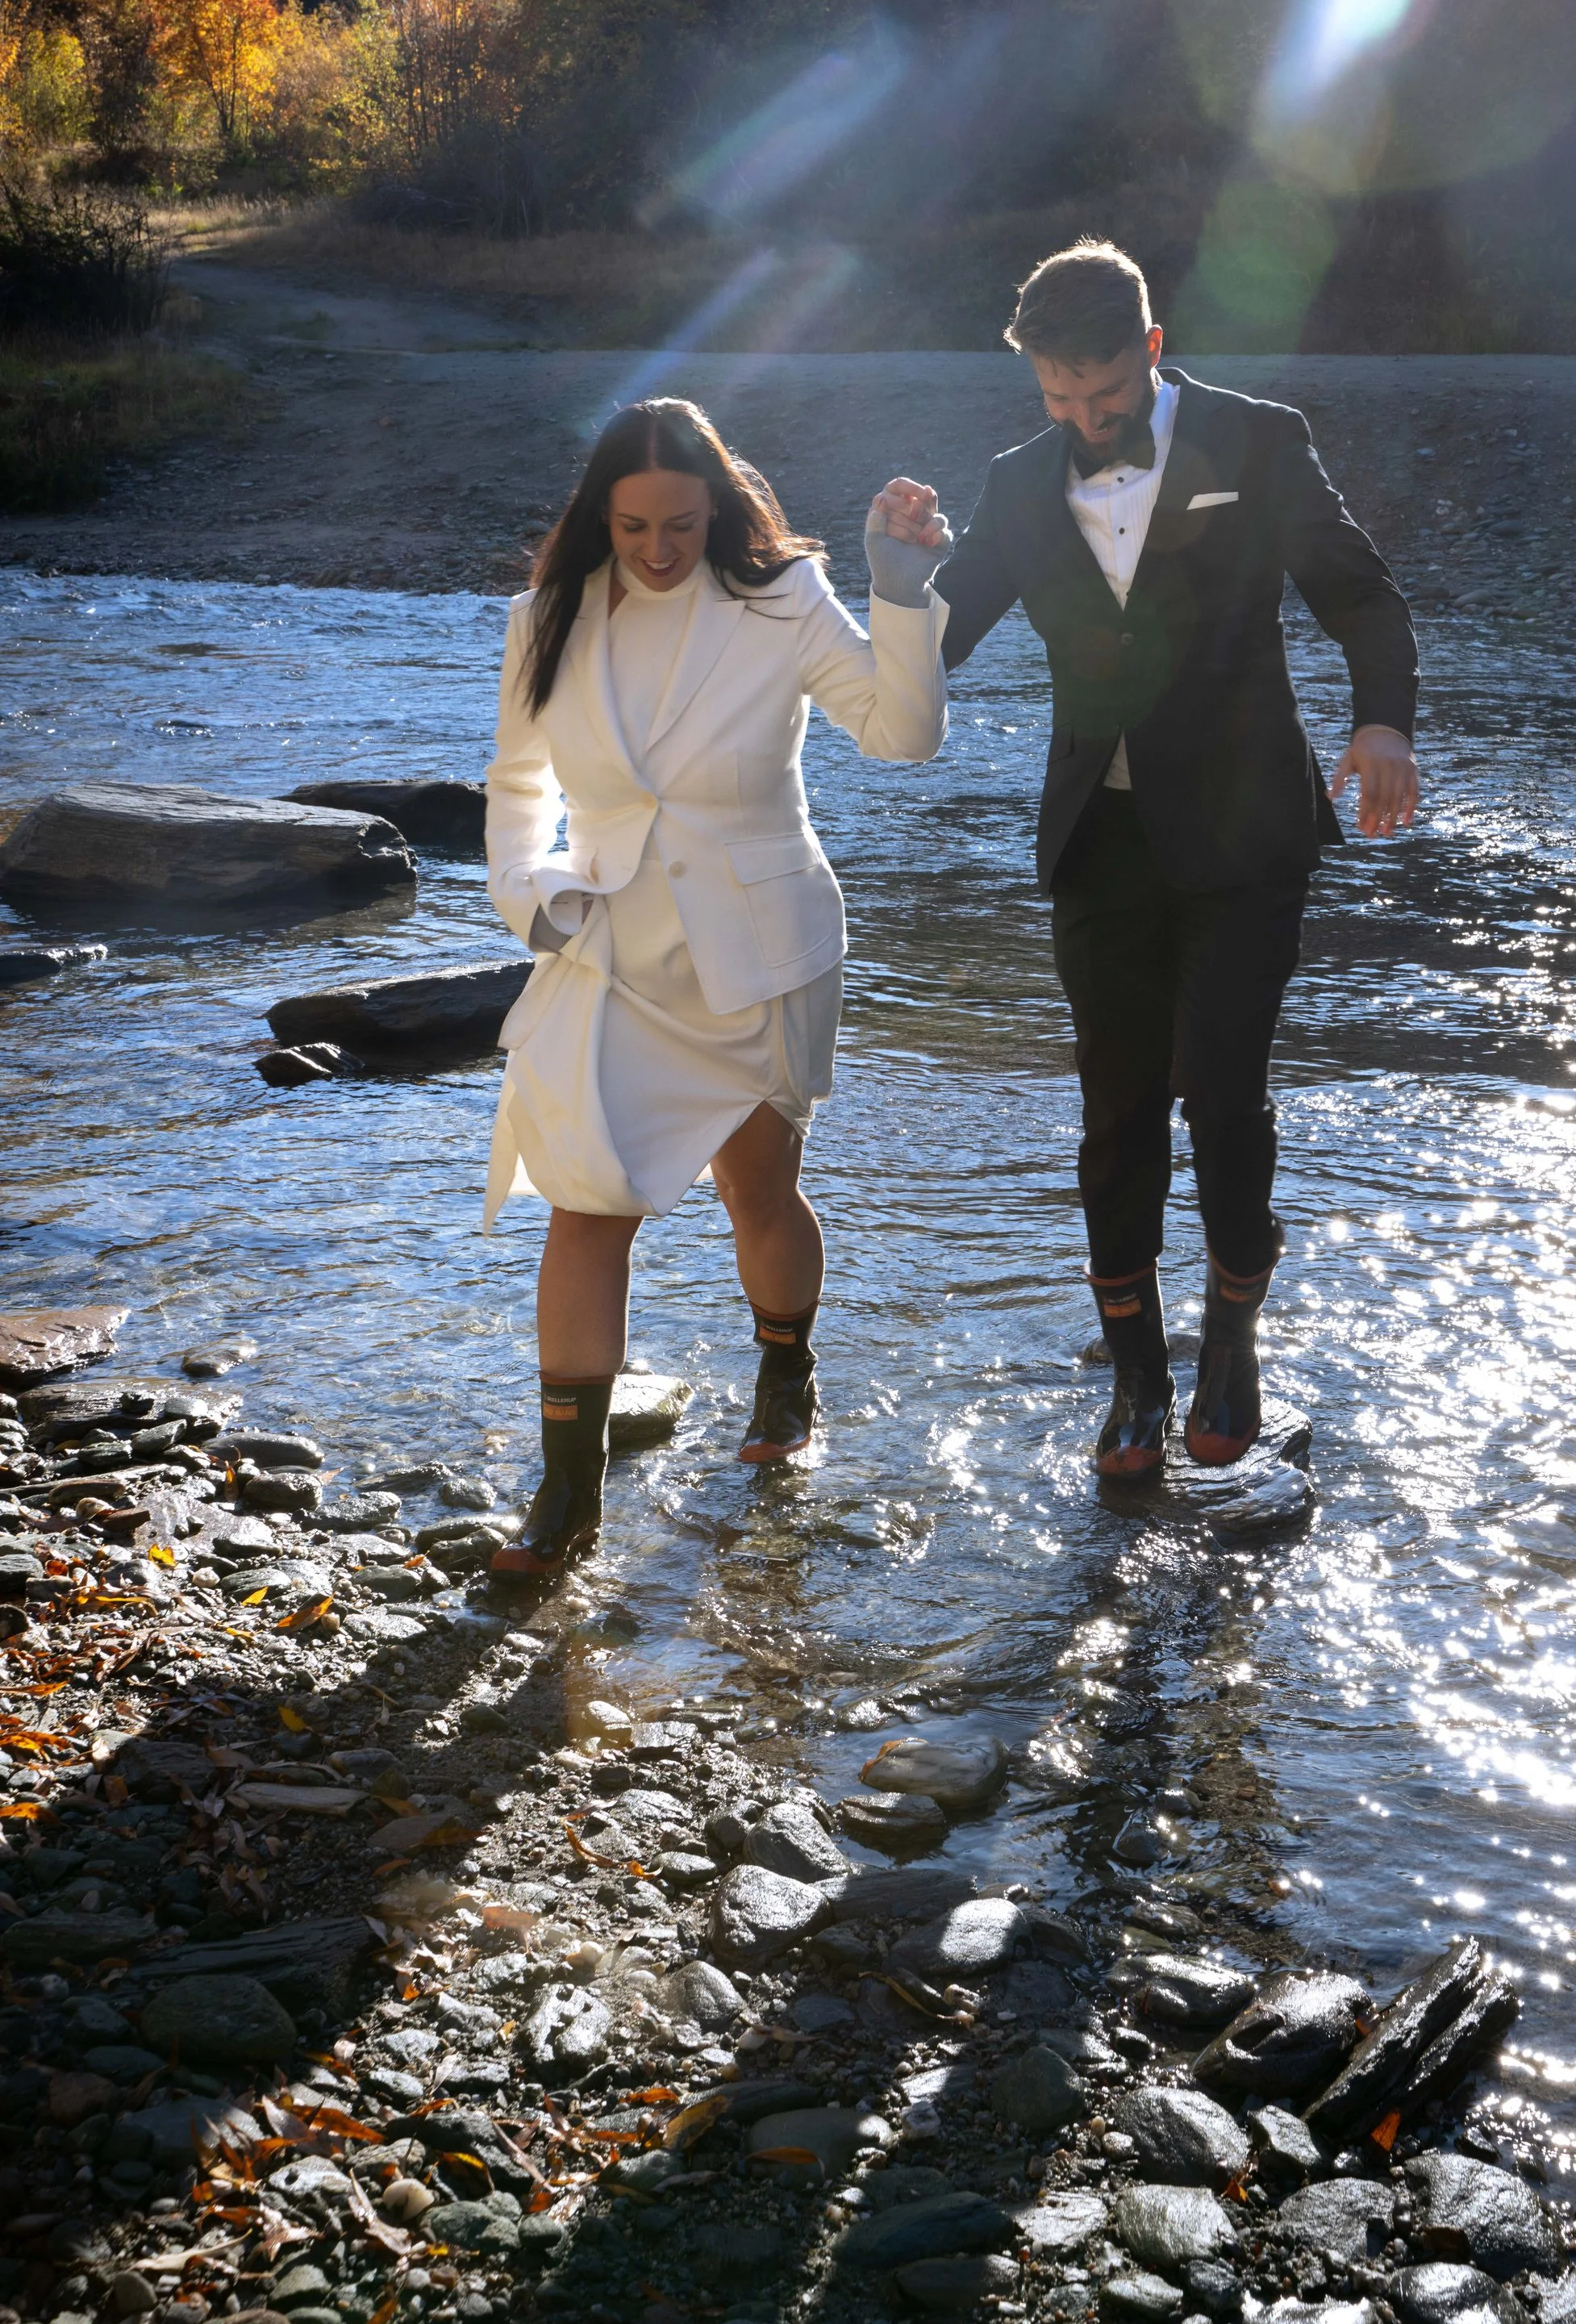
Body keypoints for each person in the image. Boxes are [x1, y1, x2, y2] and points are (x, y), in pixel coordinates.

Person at [932, 240, 1419, 1481]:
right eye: (1057, 400)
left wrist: (1381, 724)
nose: (1083, 422)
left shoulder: (1257, 441)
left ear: (1150, 349)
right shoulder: (1015, 481)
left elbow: (1362, 595)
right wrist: (875, 590)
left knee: (1223, 1090)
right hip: (1100, 841)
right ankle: (1139, 1378)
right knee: (1116, 1110)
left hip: (1249, 834)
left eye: (1101, 396)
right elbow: (933, 640)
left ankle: (1234, 1342)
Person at [481, 395, 950, 1578]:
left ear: (717, 505)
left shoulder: (781, 597)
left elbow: (903, 734)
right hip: (612, 952)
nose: (656, 547)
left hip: (758, 954)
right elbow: (515, 784)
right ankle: (565, 1502)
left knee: (758, 1193)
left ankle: (786, 1370)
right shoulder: (547, 614)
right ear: (601, 515)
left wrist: (902, 590)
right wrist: (532, 897)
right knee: (586, 1203)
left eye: (680, 522)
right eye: (633, 524)